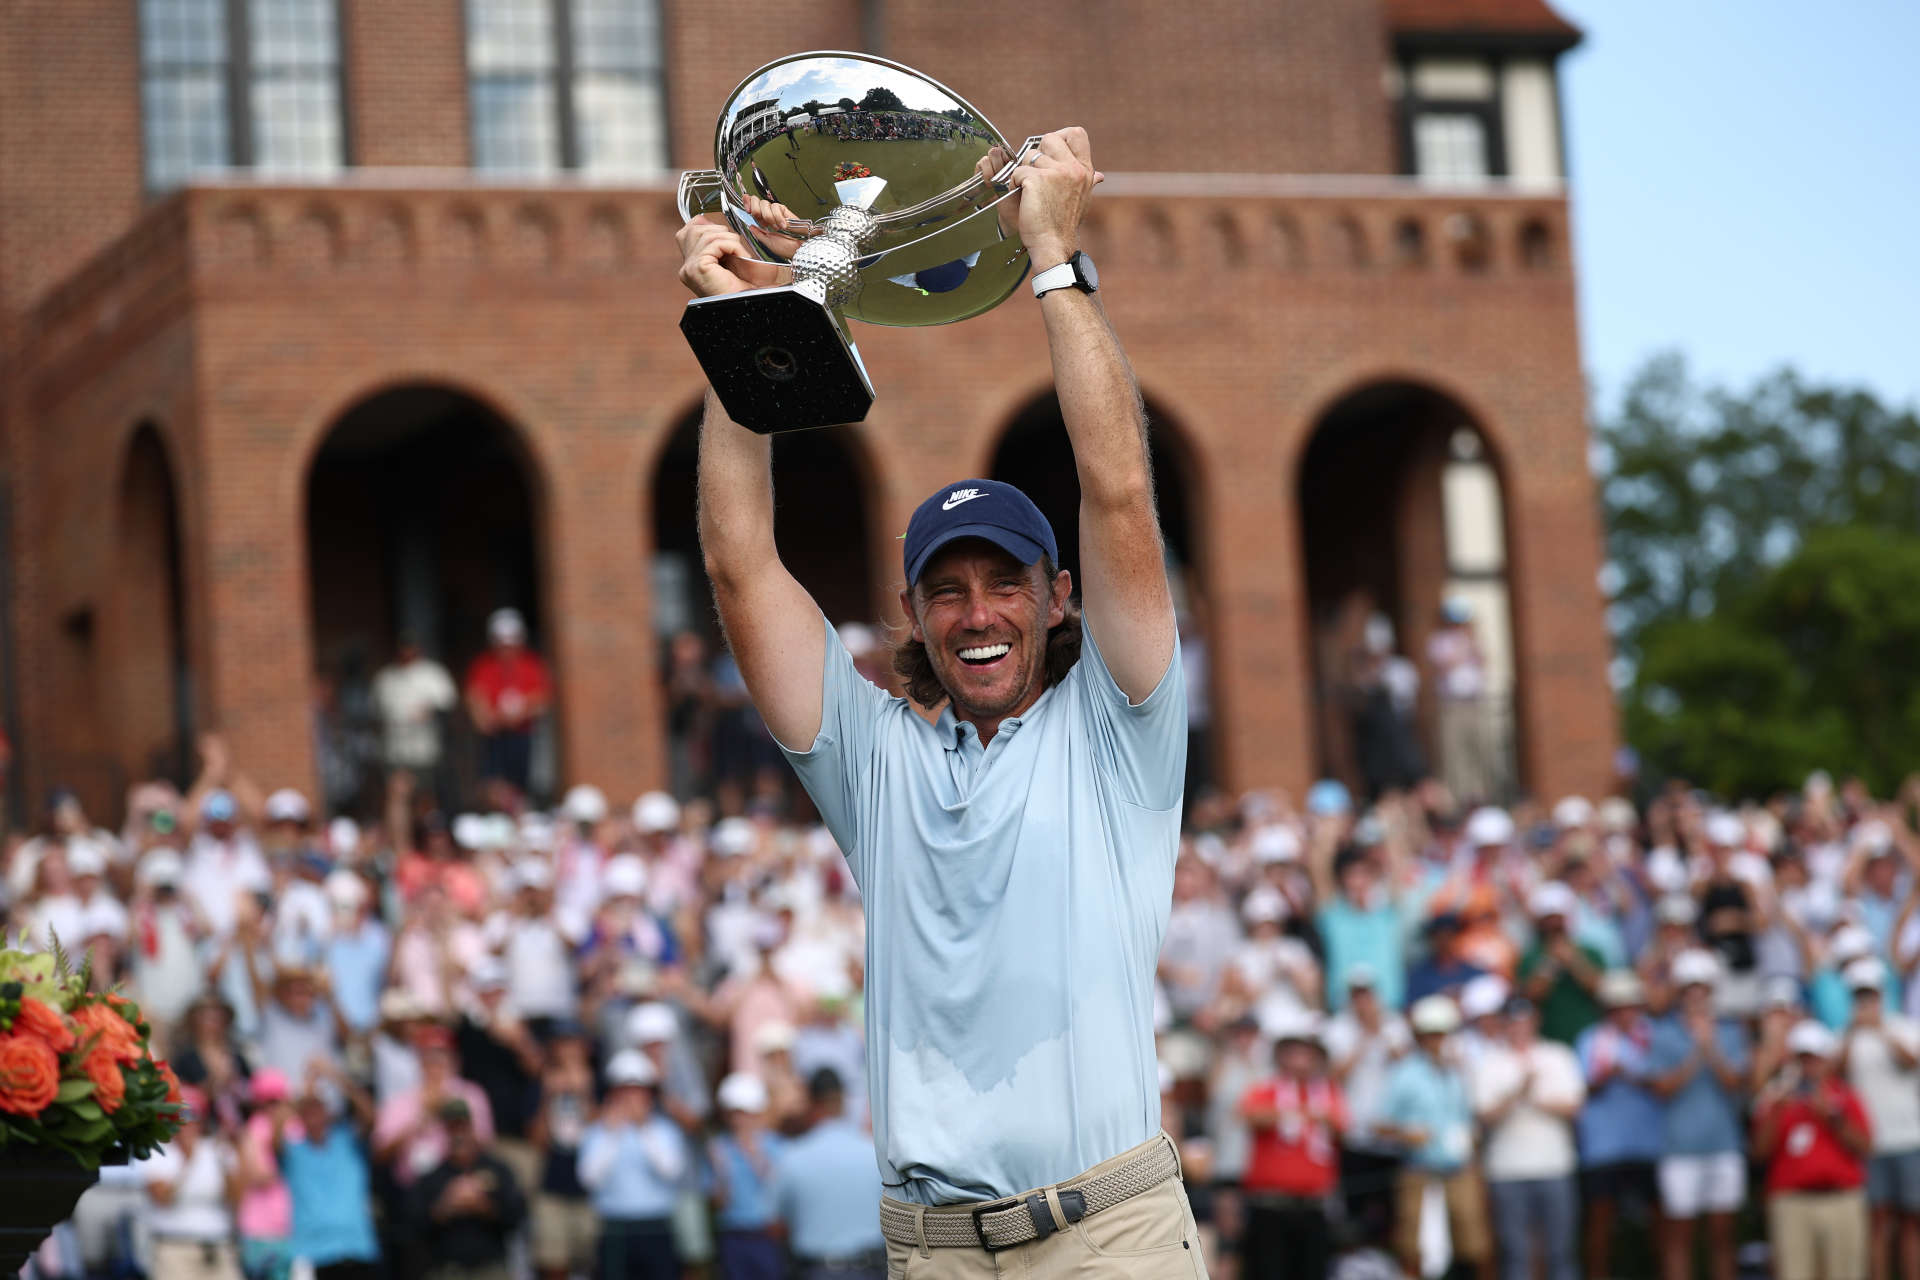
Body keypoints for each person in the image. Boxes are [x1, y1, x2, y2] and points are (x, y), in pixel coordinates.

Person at [680, 125, 1206, 1271]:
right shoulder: (876, 761)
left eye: (1004, 584)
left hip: (1108, 1231)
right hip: (931, 1249)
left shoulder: (1119, 732)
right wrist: (746, 343)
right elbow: (739, 567)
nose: (978, 613)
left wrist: (1055, 261)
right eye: (948, 589)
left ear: (1057, 597)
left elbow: (1117, 490)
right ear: (910, 614)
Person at [1647, 949, 1749, 1280]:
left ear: (1711, 991)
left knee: (1723, 1236)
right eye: (1689, 988)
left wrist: (1711, 1047)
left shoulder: (1731, 1031)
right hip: (1679, 1148)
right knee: (1679, 1237)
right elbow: (1662, 1089)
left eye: (1701, 988)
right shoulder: (1663, 1033)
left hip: (1723, 1145)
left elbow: (1734, 1083)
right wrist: (1696, 1051)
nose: (1695, 995)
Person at [1375, 996, 1493, 1280]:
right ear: (1420, 1037)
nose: (1436, 1041)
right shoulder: (1404, 1073)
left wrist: (1472, 1142)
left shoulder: (1459, 1072)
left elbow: (1468, 1119)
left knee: (1474, 1245)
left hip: (1459, 1170)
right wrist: (1406, 1133)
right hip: (1419, 1172)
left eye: (1441, 1034)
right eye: (1430, 1035)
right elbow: (1379, 1125)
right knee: (1414, 1247)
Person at [1470, 996, 1585, 1280]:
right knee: (1515, 1254)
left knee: (1561, 1253)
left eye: (1524, 1020)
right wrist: (1518, 1092)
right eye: (1512, 1021)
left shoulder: (1558, 1055)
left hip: (1555, 1167)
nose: (1519, 1027)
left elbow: (1574, 1106)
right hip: (1507, 1172)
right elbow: (1484, 1116)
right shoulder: (1488, 1061)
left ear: (1535, 1021)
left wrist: (1532, 1096)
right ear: (1504, 1025)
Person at [1756, 1021, 1872, 1280]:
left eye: (1815, 1059)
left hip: (1841, 1199)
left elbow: (1865, 1146)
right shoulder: (1776, 1099)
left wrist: (1832, 1116)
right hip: (1792, 1202)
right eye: (1803, 1059)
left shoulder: (1845, 1095)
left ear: (1826, 1060)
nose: (1809, 1067)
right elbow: (1760, 1152)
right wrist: (1777, 1110)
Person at [1237, 1011, 1345, 1280]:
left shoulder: (1327, 1091)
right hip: (1271, 1206)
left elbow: (1342, 1126)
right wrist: (1296, 1113)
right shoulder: (1268, 1089)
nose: (1301, 1059)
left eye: (1307, 1052)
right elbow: (1250, 1114)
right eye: (1294, 1051)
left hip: (1313, 1207)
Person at [1574, 970, 1665, 1280]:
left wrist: (1630, 1075)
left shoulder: (1653, 1036)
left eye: (1630, 1006)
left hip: (1648, 1142)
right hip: (1603, 1146)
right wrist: (1609, 1074)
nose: (1625, 1013)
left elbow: (1664, 1082)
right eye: (1618, 1007)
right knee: (1600, 1222)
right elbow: (1584, 1088)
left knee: (1659, 1223)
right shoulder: (1590, 1039)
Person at [1836, 956, 1920, 1280]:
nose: (1866, 1000)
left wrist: (1880, 1028)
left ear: (1882, 994)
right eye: (1859, 994)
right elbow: (1835, 1075)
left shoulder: (1903, 1027)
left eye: (1870, 993)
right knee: (1878, 1223)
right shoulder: (1847, 1037)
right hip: (1869, 1143)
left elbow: (1910, 1061)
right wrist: (1851, 1032)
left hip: (1910, 1138)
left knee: (1912, 1221)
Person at [577, 1050, 687, 1280]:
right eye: (624, 1092)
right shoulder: (597, 1132)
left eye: (637, 1091)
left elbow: (671, 1171)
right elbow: (589, 1178)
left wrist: (643, 1128)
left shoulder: (665, 1130)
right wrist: (612, 1134)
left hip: (657, 1225)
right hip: (614, 1226)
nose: (631, 1099)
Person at [772, 1069, 885, 1280]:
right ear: (843, 1100)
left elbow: (775, 1225)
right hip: (870, 1269)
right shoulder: (874, 1153)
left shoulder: (792, 1157)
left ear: (811, 1102)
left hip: (815, 1270)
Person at [410, 1099, 526, 1280]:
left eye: (463, 1127)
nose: (458, 1135)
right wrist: (445, 1206)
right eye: (452, 1128)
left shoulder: (497, 1169)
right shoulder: (433, 1177)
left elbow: (516, 1217)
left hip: (490, 1267)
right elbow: (414, 1227)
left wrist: (483, 1205)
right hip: (447, 1268)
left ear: (472, 1128)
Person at [277, 1079, 382, 1280]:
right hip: (313, 1254)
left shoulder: (349, 1142)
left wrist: (334, 1076)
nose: (313, 1115)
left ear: (327, 1112)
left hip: (357, 1249)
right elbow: (276, 1130)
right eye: (307, 1111)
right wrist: (298, 1096)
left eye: (317, 1108)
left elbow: (370, 1114)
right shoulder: (294, 1153)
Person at [140, 1087, 243, 1280]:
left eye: (193, 1115)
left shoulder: (217, 1149)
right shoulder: (159, 1153)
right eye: (181, 1116)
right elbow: (162, 1199)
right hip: (174, 1248)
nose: (187, 1123)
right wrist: (187, 1163)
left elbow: (236, 1200)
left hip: (217, 1247)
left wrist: (228, 1161)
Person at [463, 608, 552, 803]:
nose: (507, 649)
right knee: (493, 785)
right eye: (502, 643)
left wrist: (519, 714)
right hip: (495, 739)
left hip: (523, 736)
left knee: (522, 786)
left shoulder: (531, 665)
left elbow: (541, 699)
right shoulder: (484, 666)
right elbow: (476, 699)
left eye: (511, 643)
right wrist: (490, 718)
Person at [708, 1072, 786, 1280]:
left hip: (767, 1237)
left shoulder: (776, 1145)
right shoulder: (719, 1146)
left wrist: (754, 1155)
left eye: (744, 1113)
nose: (739, 1120)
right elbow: (718, 1203)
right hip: (733, 1235)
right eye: (734, 1114)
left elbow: (779, 1191)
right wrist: (721, 1172)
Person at [371, 635, 458, 799]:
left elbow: (447, 706)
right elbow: (376, 714)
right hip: (395, 750)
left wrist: (430, 713)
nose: (406, 651)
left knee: (426, 797)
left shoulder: (433, 673)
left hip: (426, 750)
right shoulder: (385, 678)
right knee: (397, 793)